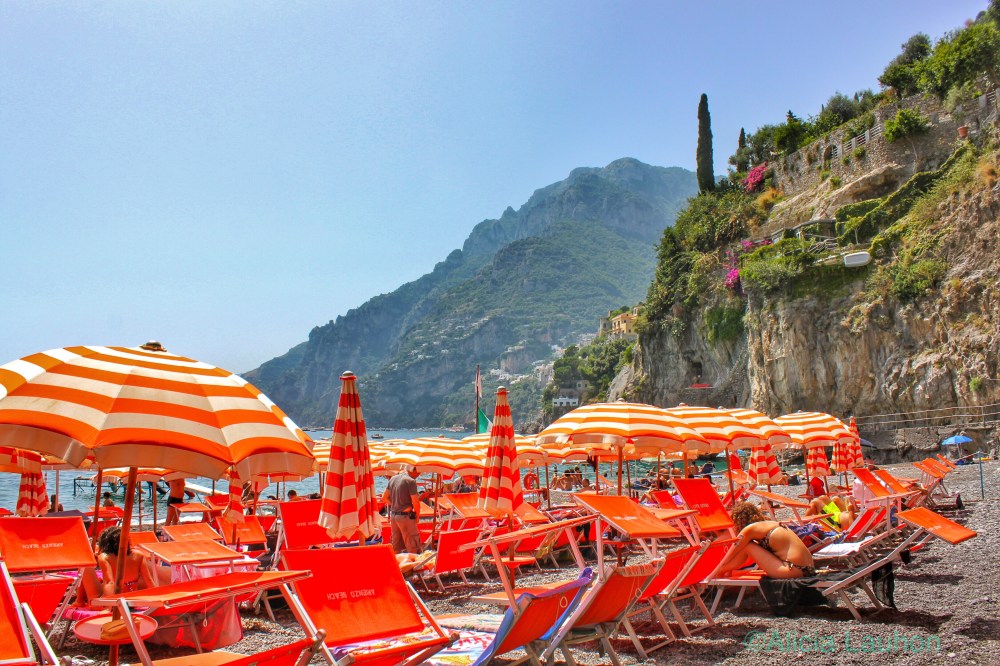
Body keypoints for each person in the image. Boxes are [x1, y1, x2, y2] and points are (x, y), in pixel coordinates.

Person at [713, 502, 816, 579]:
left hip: (793, 570)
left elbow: (732, 552)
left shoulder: (749, 530)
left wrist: (719, 568)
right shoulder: (770, 524)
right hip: (807, 569)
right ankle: (720, 572)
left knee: (747, 546)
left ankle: (716, 573)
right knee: (748, 546)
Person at [381, 465, 422, 554]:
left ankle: (397, 562)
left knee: (396, 546)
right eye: (418, 473)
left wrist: (396, 504)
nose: (418, 475)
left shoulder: (393, 479)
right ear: (413, 470)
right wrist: (417, 516)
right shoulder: (410, 481)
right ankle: (413, 562)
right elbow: (416, 502)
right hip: (405, 517)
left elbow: (384, 498)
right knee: (413, 545)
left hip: (394, 516)